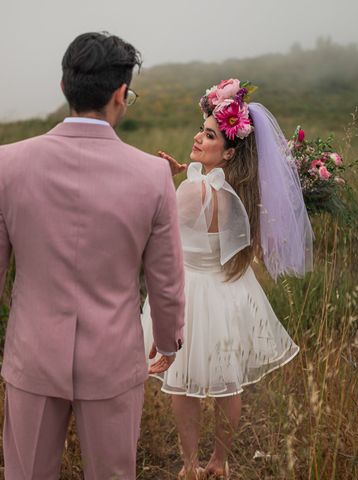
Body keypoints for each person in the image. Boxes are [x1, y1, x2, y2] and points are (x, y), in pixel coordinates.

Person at [0, 32, 185, 480]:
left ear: (64, 88)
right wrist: (167, 340)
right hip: (114, 358)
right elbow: (166, 279)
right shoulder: (153, 174)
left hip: (33, 353)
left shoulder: (9, 161)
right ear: (121, 94)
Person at [141, 79, 314, 479]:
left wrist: (167, 179)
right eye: (202, 130)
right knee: (227, 381)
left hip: (192, 292)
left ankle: (189, 465)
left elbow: (152, 235)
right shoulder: (239, 192)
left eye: (210, 135)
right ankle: (220, 460)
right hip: (230, 293)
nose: (199, 138)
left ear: (229, 151)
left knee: (184, 384)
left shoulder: (191, 191)